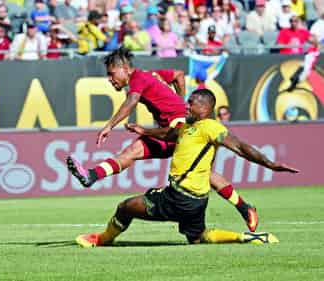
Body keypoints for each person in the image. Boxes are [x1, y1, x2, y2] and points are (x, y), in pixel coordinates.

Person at [66, 47, 259, 233]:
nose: (110, 79)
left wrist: (109, 125)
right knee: (201, 172)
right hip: (172, 130)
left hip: (177, 131)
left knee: (138, 154)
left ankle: (92, 176)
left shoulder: (138, 78)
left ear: (125, 69)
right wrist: (181, 102)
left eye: (111, 73)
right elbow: (178, 74)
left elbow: (132, 101)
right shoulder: (151, 75)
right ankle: (244, 208)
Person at [74, 88, 299, 247]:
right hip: (197, 200)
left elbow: (240, 147)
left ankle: (102, 240)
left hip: (178, 197)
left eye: (191, 102)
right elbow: (169, 133)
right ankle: (247, 238)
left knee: (125, 207)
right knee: (198, 237)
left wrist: (270, 164)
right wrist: (145, 132)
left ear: (205, 106)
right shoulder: (187, 125)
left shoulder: (211, 127)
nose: (186, 105)